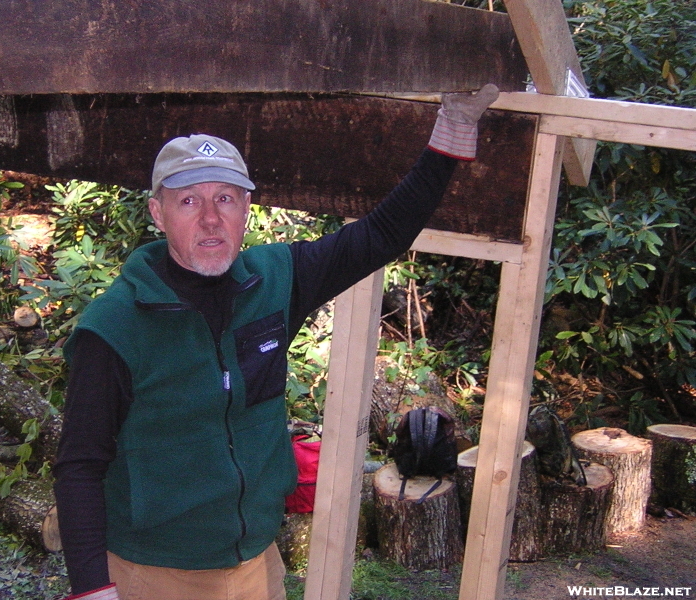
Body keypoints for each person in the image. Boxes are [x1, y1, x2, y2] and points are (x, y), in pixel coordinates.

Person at [52, 84, 500, 600]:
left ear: (247, 207)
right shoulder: (113, 329)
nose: (210, 218)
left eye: (225, 198)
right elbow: (80, 464)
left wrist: (454, 127)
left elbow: (382, 235)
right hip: (152, 570)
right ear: (158, 214)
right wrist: (91, 590)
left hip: (256, 567)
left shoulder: (274, 282)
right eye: (189, 201)